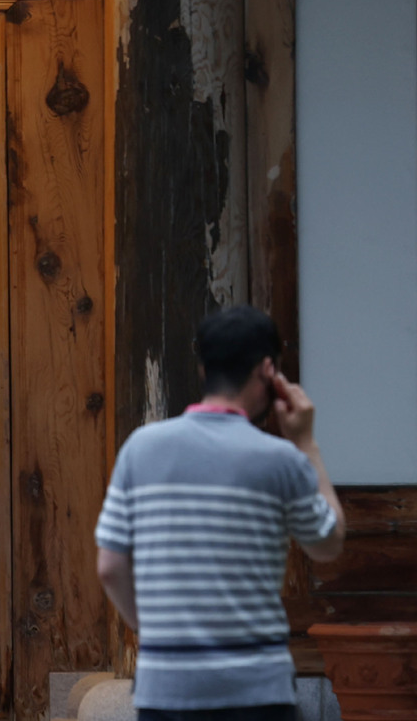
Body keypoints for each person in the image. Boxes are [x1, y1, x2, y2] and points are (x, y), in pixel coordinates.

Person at [95, 305, 346, 720]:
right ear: (269, 371)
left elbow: (109, 567)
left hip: (165, 689)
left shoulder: (140, 448)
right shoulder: (280, 459)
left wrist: (150, 630)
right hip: (255, 688)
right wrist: (307, 444)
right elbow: (328, 543)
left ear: (203, 370)